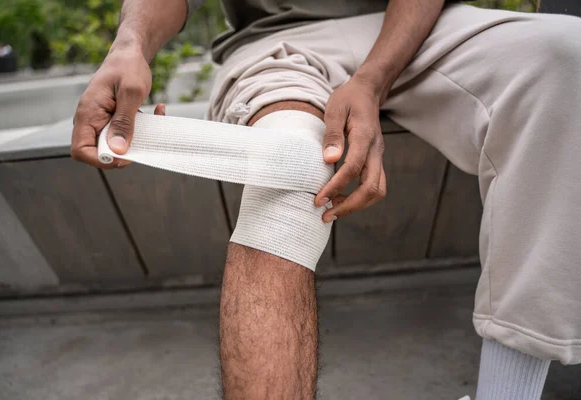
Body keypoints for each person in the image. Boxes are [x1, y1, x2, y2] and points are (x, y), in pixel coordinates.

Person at [71, 0, 581, 398]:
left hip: (416, 25)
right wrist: (131, 44)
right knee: (293, 167)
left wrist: (371, 81)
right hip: (282, 39)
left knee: (564, 56)